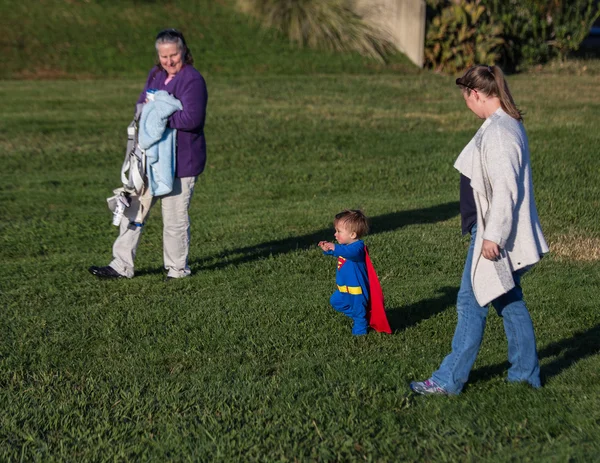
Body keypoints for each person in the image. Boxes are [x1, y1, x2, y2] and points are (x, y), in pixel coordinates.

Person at [410, 65, 549, 395]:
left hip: (492, 234)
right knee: (507, 300)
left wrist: (492, 236)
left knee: (470, 303)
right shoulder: (501, 124)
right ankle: (526, 374)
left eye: (465, 97)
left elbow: (506, 190)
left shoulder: (501, 133)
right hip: (490, 231)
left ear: (475, 93)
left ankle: (448, 380)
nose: (466, 104)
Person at [89, 29, 208, 280]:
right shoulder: (155, 74)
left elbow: (192, 118)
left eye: (173, 55)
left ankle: (177, 270)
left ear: (184, 51)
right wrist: (150, 114)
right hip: (148, 159)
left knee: (174, 219)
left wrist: (156, 117)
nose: (169, 61)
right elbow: (142, 104)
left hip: (180, 162)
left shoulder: (192, 80)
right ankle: (121, 264)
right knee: (133, 207)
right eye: (164, 56)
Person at [318, 210, 391, 336]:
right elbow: (342, 252)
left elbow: (348, 253)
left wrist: (334, 247)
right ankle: (363, 317)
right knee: (335, 301)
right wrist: (328, 250)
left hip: (357, 290)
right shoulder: (345, 247)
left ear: (352, 234)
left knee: (358, 310)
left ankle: (360, 331)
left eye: (339, 231)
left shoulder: (358, 248)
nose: (335, 234)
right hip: (344, 289)